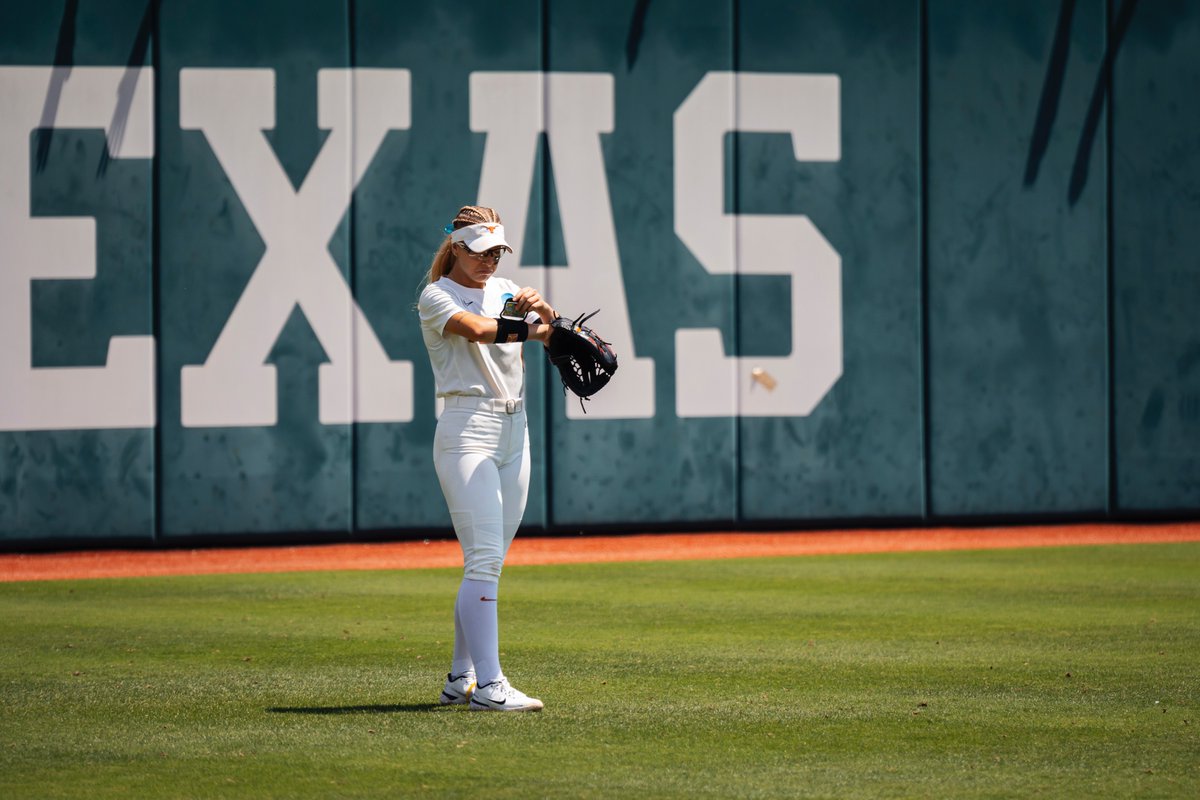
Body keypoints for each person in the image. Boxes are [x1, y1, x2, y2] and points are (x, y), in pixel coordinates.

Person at [417, 205, 558, 712]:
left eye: (497, 251)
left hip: (514, 428)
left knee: (489, 562)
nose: (490, 261)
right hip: (466, 429)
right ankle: (492, 687)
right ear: (456, 246)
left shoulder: (506, 289)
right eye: (480, 251)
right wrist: (536, 330)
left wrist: (545, 314)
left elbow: (546, 334)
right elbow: (477, 331)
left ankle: (461, 679)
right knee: (482, 561)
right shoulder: (436, 296)